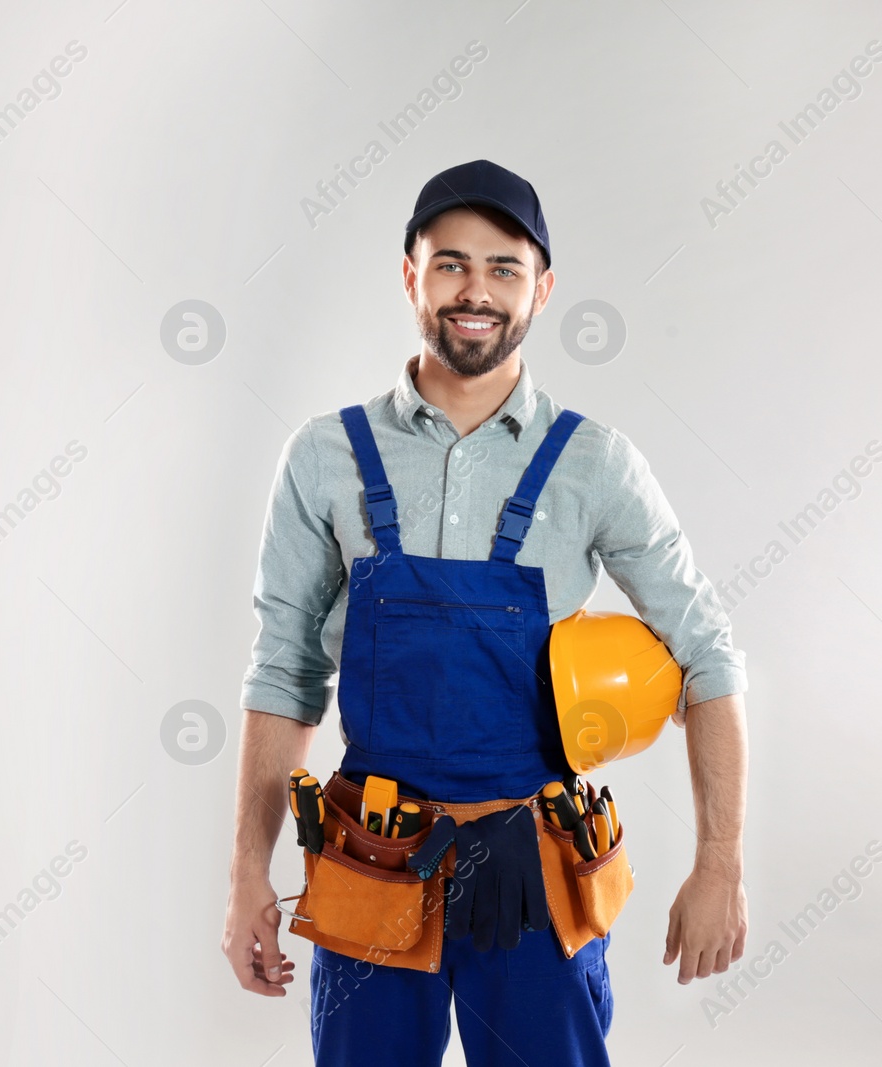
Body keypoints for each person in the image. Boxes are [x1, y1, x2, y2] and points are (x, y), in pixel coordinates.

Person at [219, 159, 750, 1066]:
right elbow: (283, 673)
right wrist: (245, 875)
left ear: (543, 288)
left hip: (537, 875)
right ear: (410, 274)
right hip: (370, 861)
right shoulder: (323, 457)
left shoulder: (595, 465)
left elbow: (709, 654)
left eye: (505, 267)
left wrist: (721, 861)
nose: (477, 290)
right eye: (452, 262)